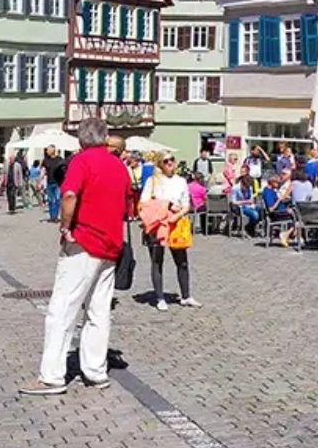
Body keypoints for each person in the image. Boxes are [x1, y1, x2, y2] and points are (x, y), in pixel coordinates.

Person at [23, 117, 125, 395]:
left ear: (81, 139)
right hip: (111, 246)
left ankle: (52, 376)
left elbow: (69, 195)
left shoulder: (82, 161)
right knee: (98, 312)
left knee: (62, 309)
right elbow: (129, 205)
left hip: (84, 242)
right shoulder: (119, 165)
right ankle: (95, 371)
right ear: (105, 138)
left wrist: (66, 226)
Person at [139, 154, 196, 309]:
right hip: (157, 224)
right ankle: (159, 297)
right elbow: (144, 202)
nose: (170, 163)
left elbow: (186, 204)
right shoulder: (152, 181)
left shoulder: (181, 181)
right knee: (157, 260)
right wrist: (168, 205)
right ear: (160, 165)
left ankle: (186, 296)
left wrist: (177, 214)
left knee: (182, 261)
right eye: (166, 161)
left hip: (176, 223)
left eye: (172, 160)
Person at [43, 148, 66, 222]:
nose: (46, 151)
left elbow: (64, 170)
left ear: (52, 151)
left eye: (48, 150)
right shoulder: (46, 160)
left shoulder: (60, 160)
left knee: (57, 200)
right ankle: (52, 216)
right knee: (50, 200)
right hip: (49, 182)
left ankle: (56, 216)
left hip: (57, 183)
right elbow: (43, 170)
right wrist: (40, 181)